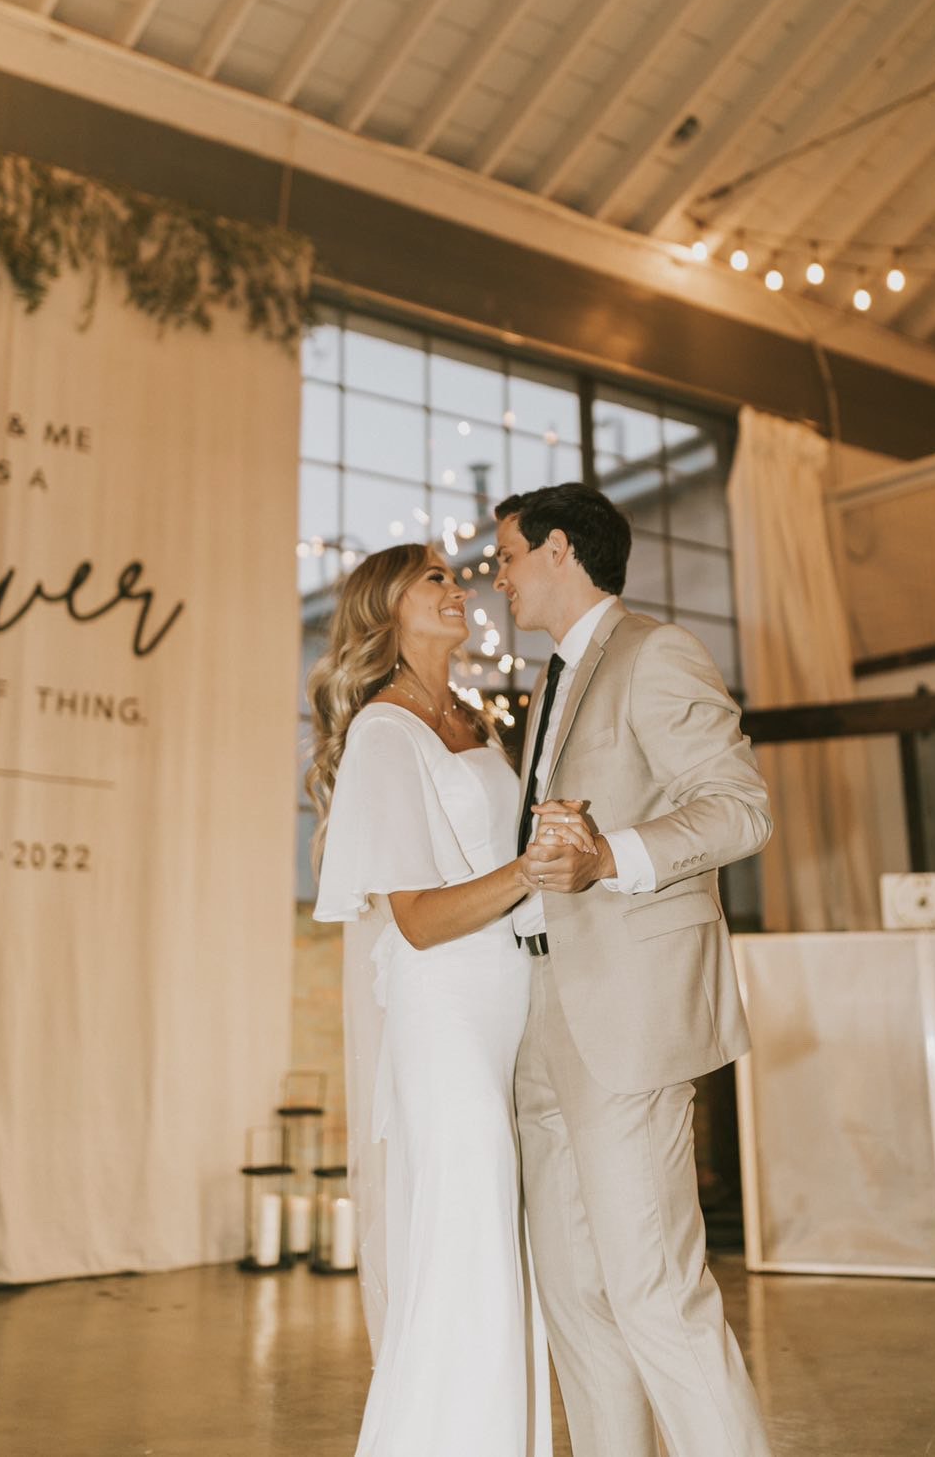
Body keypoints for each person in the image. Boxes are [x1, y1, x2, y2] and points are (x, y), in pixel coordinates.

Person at [495, 482, 774, 1457]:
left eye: (508, 557)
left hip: (626, 1016)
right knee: (575, 1294)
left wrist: (609, 855)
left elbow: (740, 807)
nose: (498, 578)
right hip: (540, 1010)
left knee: (653, 1285)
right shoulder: (550, 684)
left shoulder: (657, 652)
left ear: (559, 549)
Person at [310, 542, 585, 1457]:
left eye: (456, 574)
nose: (459, 586)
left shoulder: (470, 717)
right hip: (447, 1013)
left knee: (498, 1241)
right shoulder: (384, 732)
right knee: (468, 1237)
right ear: (386, 604)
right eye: (435, 577)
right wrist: (531, 868)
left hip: (508, 1000)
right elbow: (419, 920)